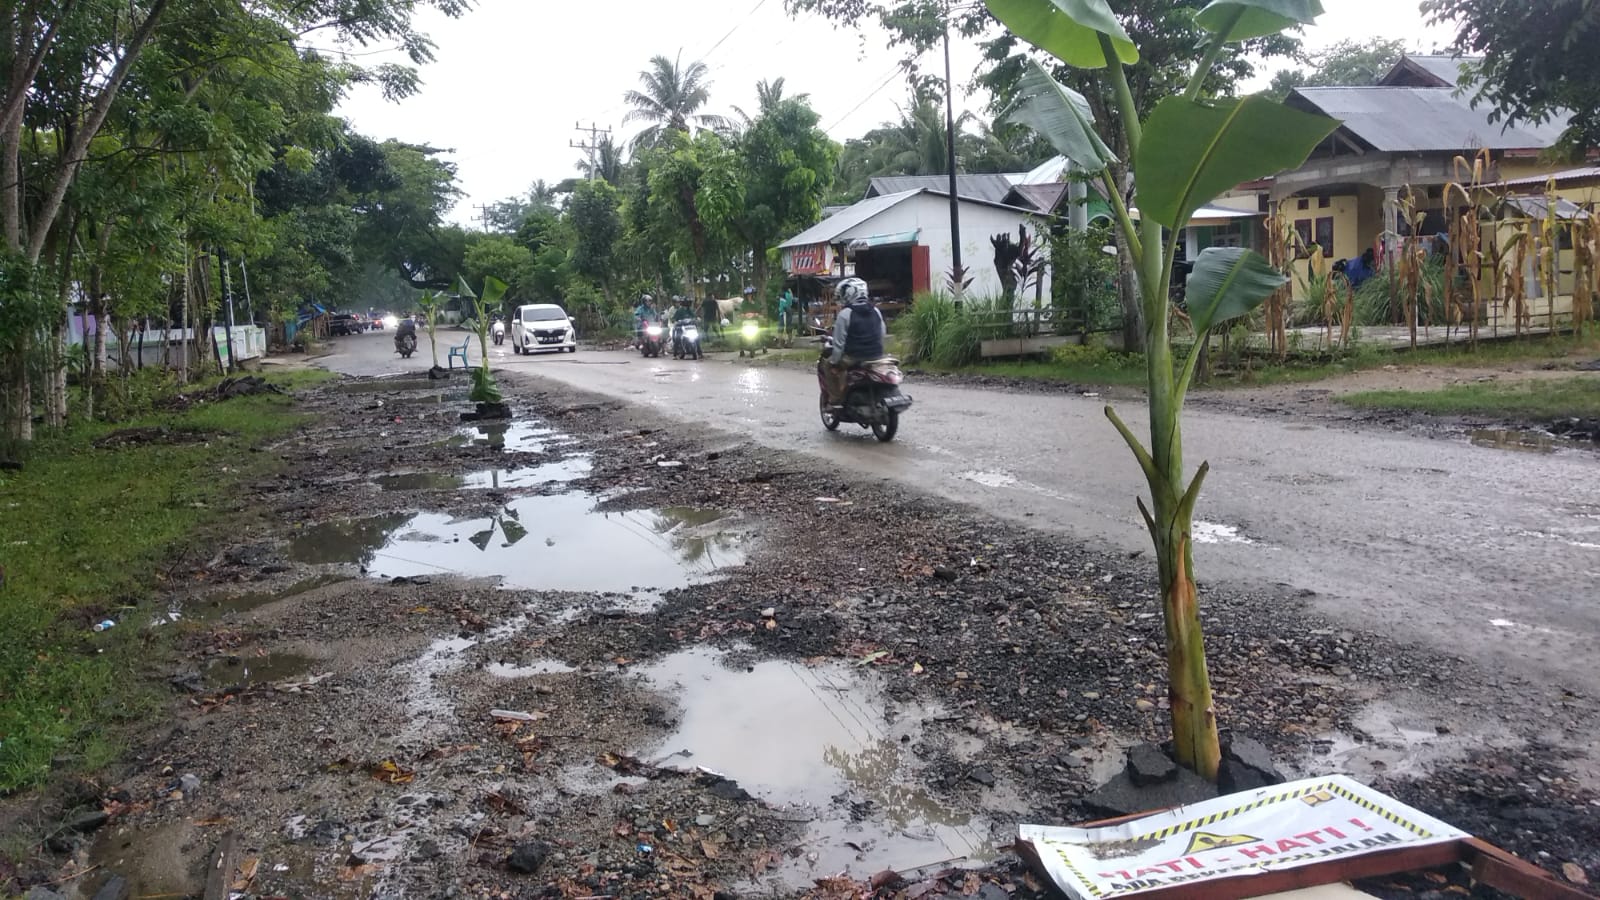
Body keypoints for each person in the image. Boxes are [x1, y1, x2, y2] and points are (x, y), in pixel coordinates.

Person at [822, 277, 885, 407]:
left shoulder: (845, 314)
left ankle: (835, 399)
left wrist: (834, 362)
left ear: (850, 293)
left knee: (827, 365)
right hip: (876, 356)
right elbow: (882, 333)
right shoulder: (876, 311)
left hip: (854, 357)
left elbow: (839, 344)